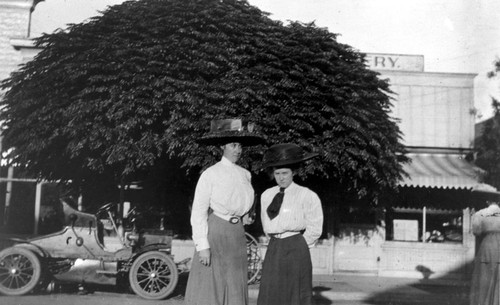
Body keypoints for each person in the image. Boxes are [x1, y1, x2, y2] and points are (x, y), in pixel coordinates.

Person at [185, 118, 265, 305]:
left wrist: (246, 215)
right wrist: (202, 246)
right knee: (212, 284)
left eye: (240, 146)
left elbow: (245, 203)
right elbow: (198, 212)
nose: (238, 150)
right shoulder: (210, 174)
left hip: (236, 234)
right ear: (223, 146)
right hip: (216, 232)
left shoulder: (245, 174)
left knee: (235, 283)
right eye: (233, 145)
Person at [257, 143, 324, 305]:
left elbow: (315, 227)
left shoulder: (306, 195)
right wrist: (276, 240)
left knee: (294, 291)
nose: (281, 177)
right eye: (277, 173)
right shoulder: (267, 195)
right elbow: (266, 224)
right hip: (274, 247)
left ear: (293, 172)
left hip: (296, 247)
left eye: (285, 173)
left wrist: (298, 244)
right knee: (272, 290)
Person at [470, 186, 500, 305]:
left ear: (487, 201)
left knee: (485, 275)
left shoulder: (481, 214)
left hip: (488, 244)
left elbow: (476, 231)